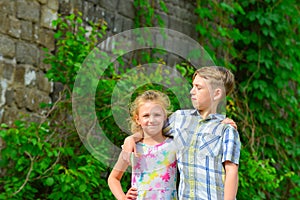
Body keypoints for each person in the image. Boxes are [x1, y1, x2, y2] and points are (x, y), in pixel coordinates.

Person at [123, 66, 241, 200]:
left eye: (199, 88)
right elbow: (153, 129)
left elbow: (231, 171)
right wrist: (132, 138)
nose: (192, 92)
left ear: (217, 94)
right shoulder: (179, 119)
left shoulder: (226, 129)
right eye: (193, 86)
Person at [108, 90, 178, 200]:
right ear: (137, 119)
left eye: (157, 115)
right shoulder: (132, 147)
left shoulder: (173, 145)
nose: (152, 120)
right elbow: (113, 178)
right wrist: (122, 198)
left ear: (164, 116)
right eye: (146, 115)